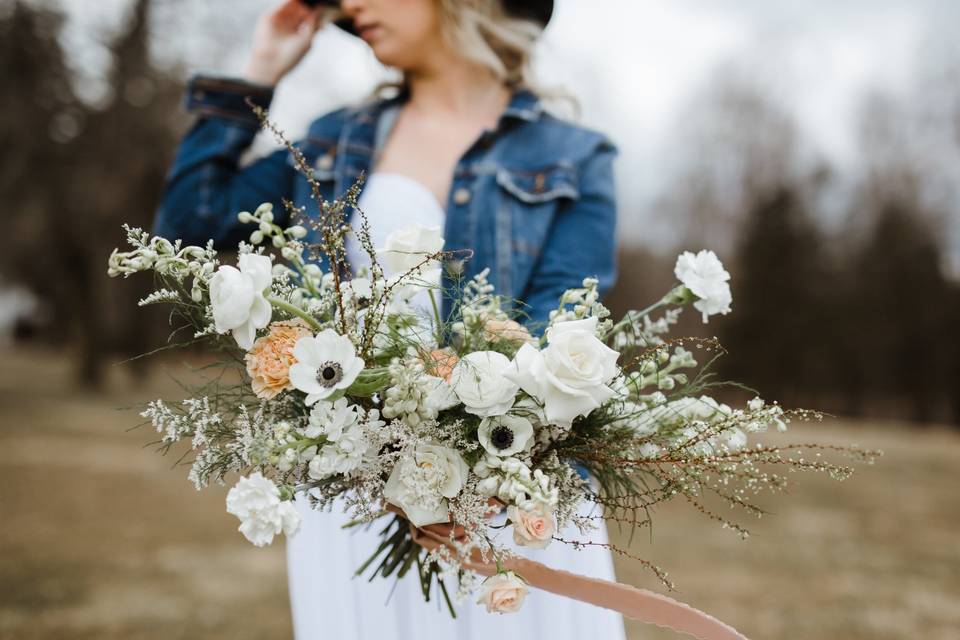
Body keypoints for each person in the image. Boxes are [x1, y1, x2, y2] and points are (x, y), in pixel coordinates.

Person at [154, 1, 624, 638]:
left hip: (511, 497)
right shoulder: (331, 139)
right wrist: (260, 71)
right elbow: (188, 225)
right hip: (358, 495)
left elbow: (561, 326)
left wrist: (462, 459)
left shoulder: (574, 155)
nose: (349, 5)